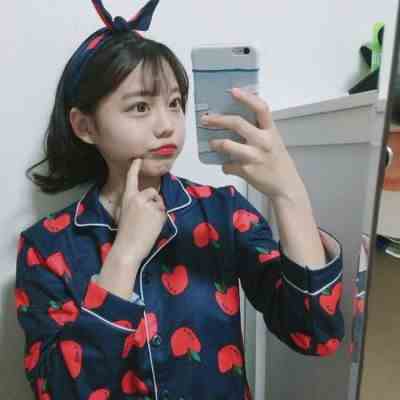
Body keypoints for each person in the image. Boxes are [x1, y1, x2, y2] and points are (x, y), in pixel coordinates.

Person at [15, 1, 345, 399]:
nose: (167, 125)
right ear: (85, 126)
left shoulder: (222, 212)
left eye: (174, 103)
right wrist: (124, 257)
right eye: (140, 107)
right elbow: (58, 392)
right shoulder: (46, 247)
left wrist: (289, 193)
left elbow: (315, 333)